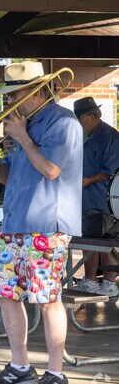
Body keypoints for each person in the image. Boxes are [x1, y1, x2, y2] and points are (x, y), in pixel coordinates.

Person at [0, 61, 82, 384]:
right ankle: (20, 366)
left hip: (45, 226)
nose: (9, 101)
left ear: (35, 92)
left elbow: (50, 170)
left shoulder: (63, 123)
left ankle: (55, 374)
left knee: (48, 300)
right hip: (14, 223)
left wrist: (21, 136)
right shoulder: (26, 124)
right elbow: (14, 177)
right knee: (6, 295)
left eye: (15, 94)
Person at [71, 96, 119, 297]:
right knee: (87, 241)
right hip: (85, 201)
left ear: (90, 116)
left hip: (105, 201)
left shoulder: (110, 136)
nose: (78, 123)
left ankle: (109, 283)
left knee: (107, 242)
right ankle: (89, 280)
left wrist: (89, 180)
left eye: (80, 119)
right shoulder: (82, 135)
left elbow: (110, 169)